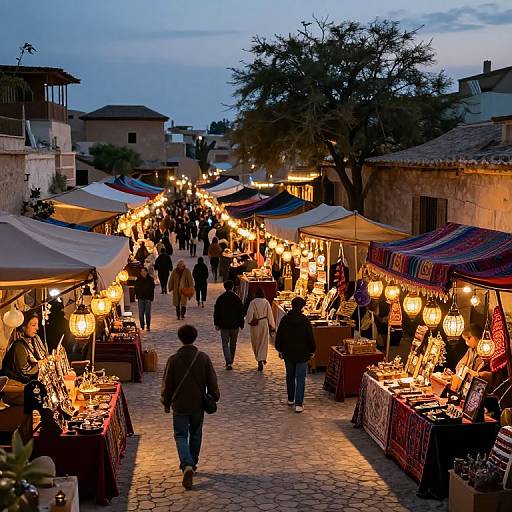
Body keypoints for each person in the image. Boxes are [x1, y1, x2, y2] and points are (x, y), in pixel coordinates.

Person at [161, 325, 220, 490]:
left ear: (180, 338)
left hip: (179, 404)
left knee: (180, 435)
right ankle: (192, 464)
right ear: (195, 337)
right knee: (196, 433)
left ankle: (186, 464)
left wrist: (166, 402)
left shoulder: (173, 360)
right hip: (197, 404)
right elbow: (212, 381)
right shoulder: (203, 358)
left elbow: (167, 384)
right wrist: (214, 396)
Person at [275, 296, 316, 413]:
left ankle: (290, 398)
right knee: (300, 378)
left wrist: (280, 349)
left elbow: (279, 336)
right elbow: (310, 338)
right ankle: (299, 404)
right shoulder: (305, 321)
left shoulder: (285, 320)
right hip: (302, 353)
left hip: (288, 352)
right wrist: (312, 350)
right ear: (302, 307)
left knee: (290, 376)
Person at [2, 312, 49, 384]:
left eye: (37, 325)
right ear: (23, 327)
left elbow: (44, 357)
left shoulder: (34, 340)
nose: (37, 328)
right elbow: (25, 370)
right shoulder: (18, 345)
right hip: (17, 386)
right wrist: (41, 364)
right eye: (33, 325)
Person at [213, 280, 245, 370]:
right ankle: (231, 360)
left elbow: (217, 312)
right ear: (232, 287)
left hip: (224, 325)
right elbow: (241, 312)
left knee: (225, 343)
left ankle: (228, 360)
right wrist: (241, 323)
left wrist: (216, 323)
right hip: (235, 325)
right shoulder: (236, 298)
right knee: (233, 344)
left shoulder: (221, 298)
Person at [246, 288, 276, 371]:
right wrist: (272, 325)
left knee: (256, 341)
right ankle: (261, 357)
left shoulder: (253, 302)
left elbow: (249, 314)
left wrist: (249, 321)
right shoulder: (265, 302)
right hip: (264, 323)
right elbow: (269, 314)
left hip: (255, 324)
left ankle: (259, 359)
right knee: (263, 341)